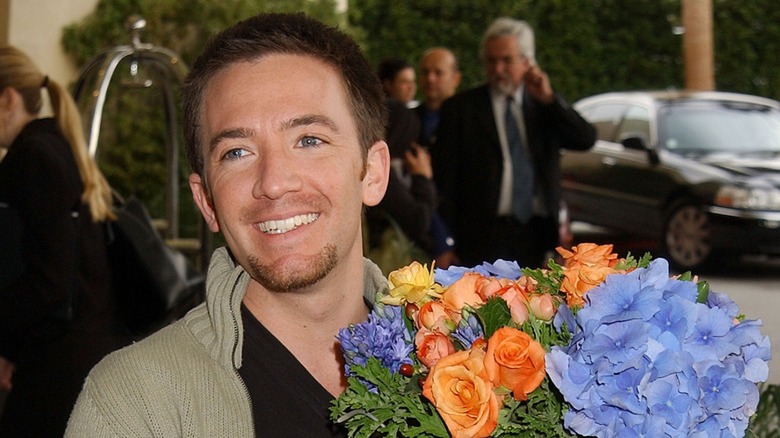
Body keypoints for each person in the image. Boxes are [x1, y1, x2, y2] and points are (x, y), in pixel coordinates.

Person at [66, 12, 391, 437]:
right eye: (237, 152)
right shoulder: (134, 405)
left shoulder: (471, 362)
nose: (273, 182)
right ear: (207, 202)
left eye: (309, 140)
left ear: (373, 172)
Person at [0, 45, 129, 437]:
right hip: (76, 356)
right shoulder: (56, 148)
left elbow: (50, 279)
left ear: (7, 99)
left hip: (56, 367)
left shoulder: (33, 158)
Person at [432, 17, 596, 268]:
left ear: (527, 62)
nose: (498, 69)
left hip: (536, 233)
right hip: (482, 234)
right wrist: (446, 242)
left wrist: (550, 100)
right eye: (491, 61)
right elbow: (445, 180)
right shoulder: (461, 109)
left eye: (506, 60)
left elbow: (585, 139)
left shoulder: (542, 106)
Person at [415, 47, 462, 147]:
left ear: (456, 79)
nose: (430, 79)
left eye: (438, 73)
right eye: (425, 72)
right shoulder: (409, 118)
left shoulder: (467, 118)